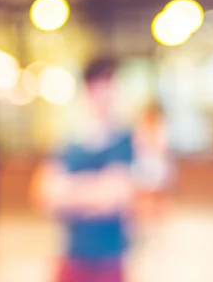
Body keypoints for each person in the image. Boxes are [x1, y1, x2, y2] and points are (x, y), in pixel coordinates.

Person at [32, 58, 136, 282]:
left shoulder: (123, 141)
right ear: (87, 90)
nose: (106, 96)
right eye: (100, 88)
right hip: (72, 255)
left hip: (110, 257)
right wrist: (95, 187)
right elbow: (44, 195)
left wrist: (70, 189)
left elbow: (111, 198)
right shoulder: (69, 141)